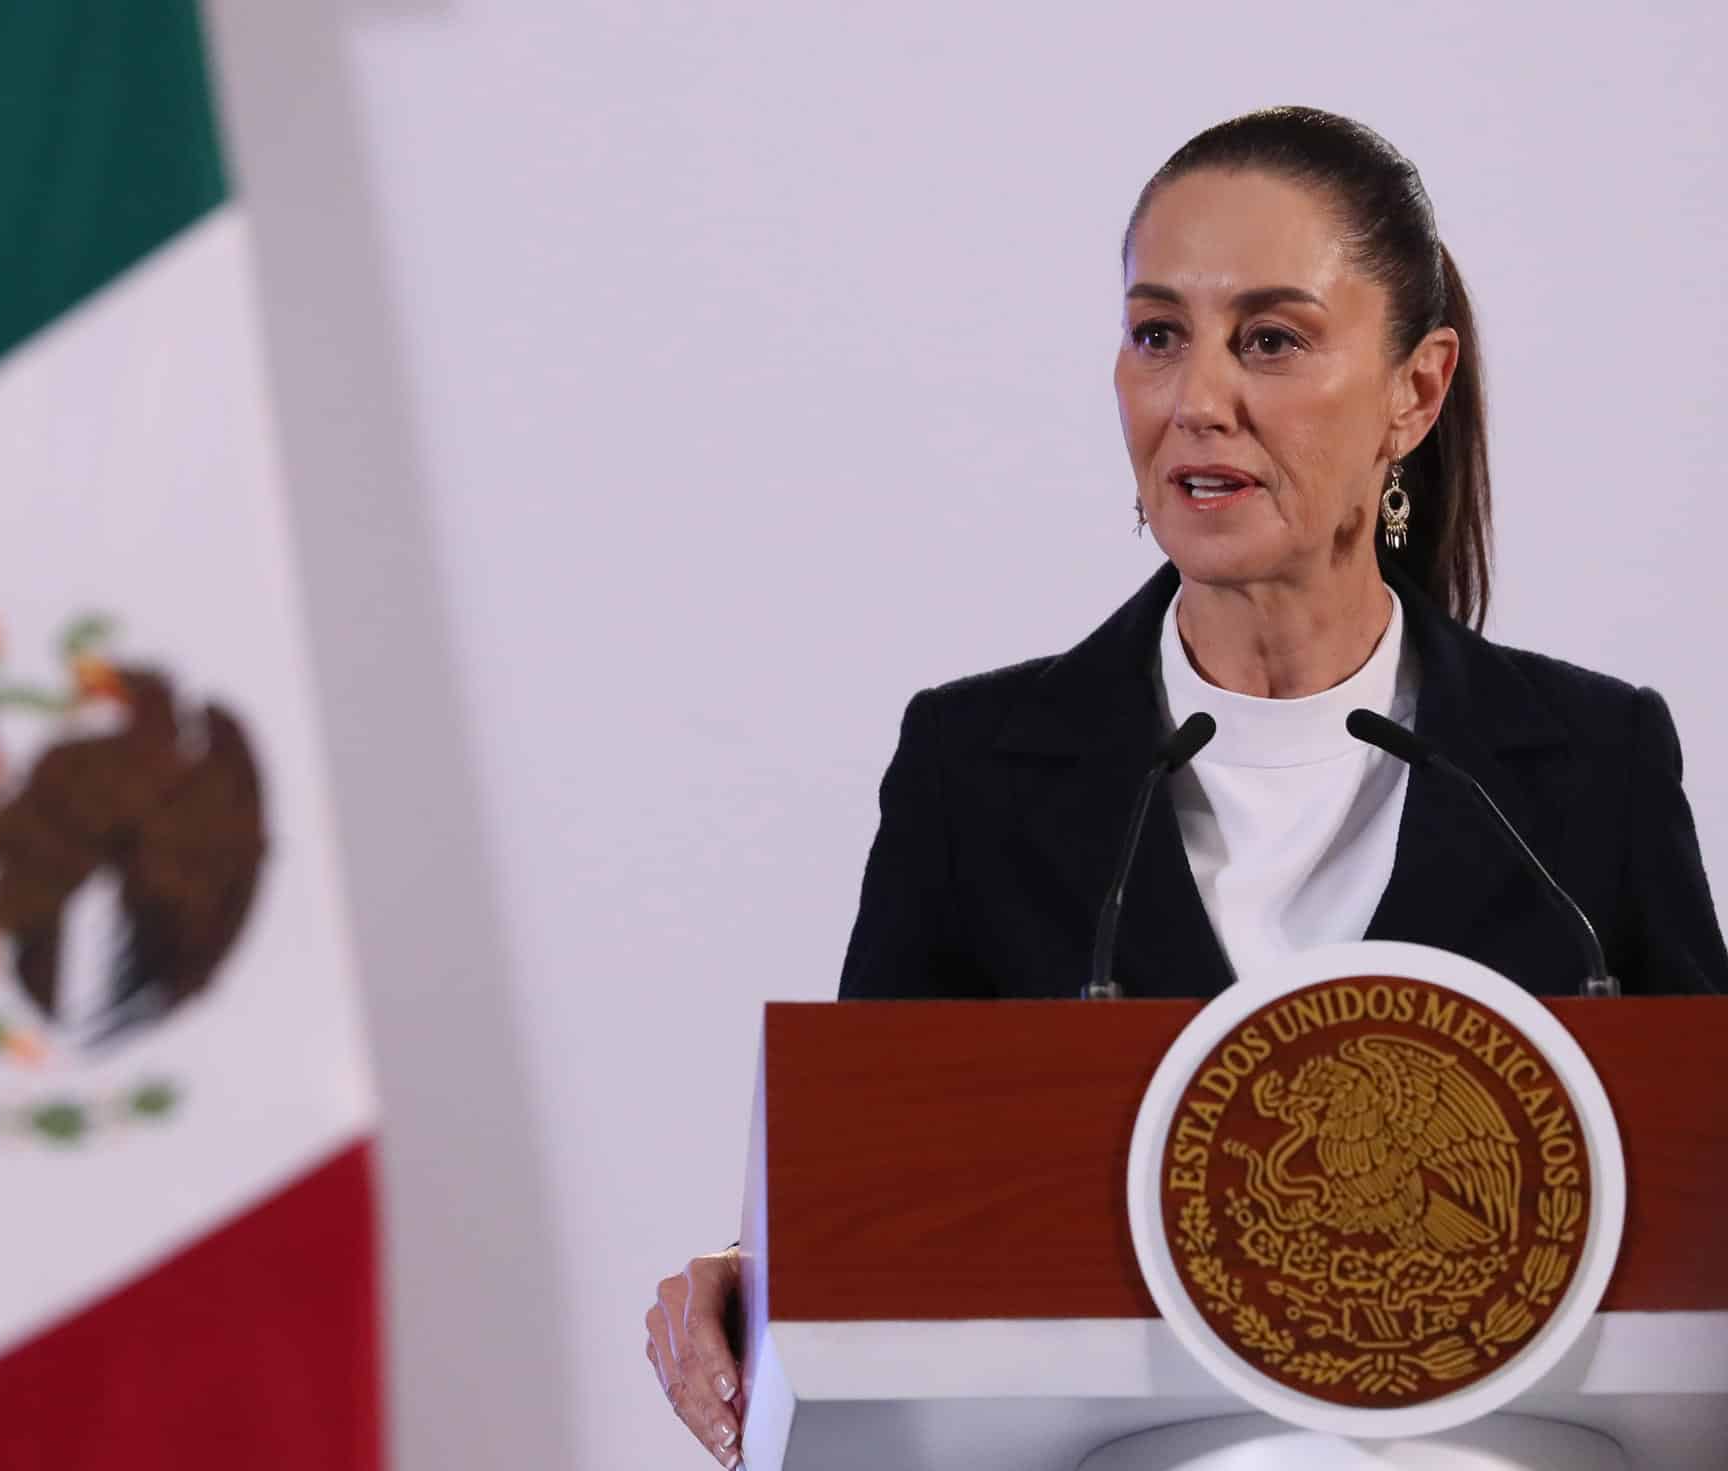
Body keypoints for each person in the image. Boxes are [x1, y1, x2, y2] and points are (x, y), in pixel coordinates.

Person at [642, 105, 1728, 1467]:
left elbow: (1707, 1197)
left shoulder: (1585, 768)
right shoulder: (979, 773)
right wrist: (759, 1270)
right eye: (1160, 335)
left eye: (1269, 340)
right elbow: (888, 1195)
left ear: (1416, 389)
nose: (1196, 398)